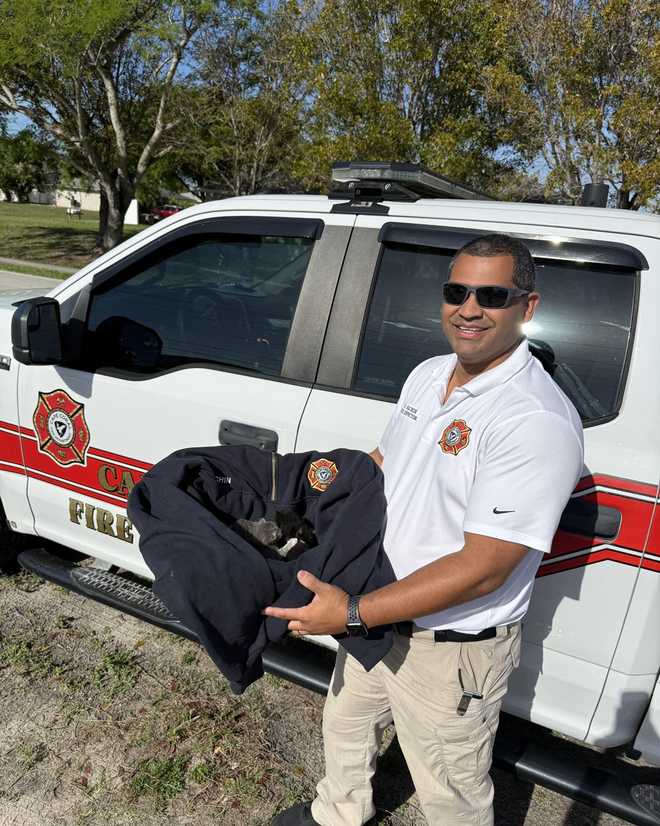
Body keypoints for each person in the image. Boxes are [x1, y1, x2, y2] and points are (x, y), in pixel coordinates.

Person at [264, 234, 584, 826]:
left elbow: (485, 567)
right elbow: (385, 467)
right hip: (375, 612)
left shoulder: (533, 418)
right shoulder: (429, 374)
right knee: (347, 726)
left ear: (527, 307)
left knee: (450, 790)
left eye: (491, 295)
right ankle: (338, 813)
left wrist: (354, 612)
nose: (469, 308)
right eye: (456, 291)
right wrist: (318, 510)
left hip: (448, 650)